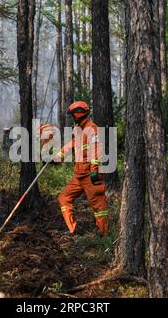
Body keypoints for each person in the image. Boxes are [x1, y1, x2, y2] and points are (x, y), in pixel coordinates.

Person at [54, 101, 109, 236]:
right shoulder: (78, 129)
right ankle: (73, 230)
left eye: (73, 115)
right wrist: (58, 156)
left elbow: (97, 150)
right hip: (79, 176)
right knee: (64, 198)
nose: (72, 117)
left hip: (91, 175)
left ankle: (105, 236)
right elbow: (72, 144)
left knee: (99, 208)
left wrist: (95, 170)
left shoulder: (92, 128)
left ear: (78, 114)